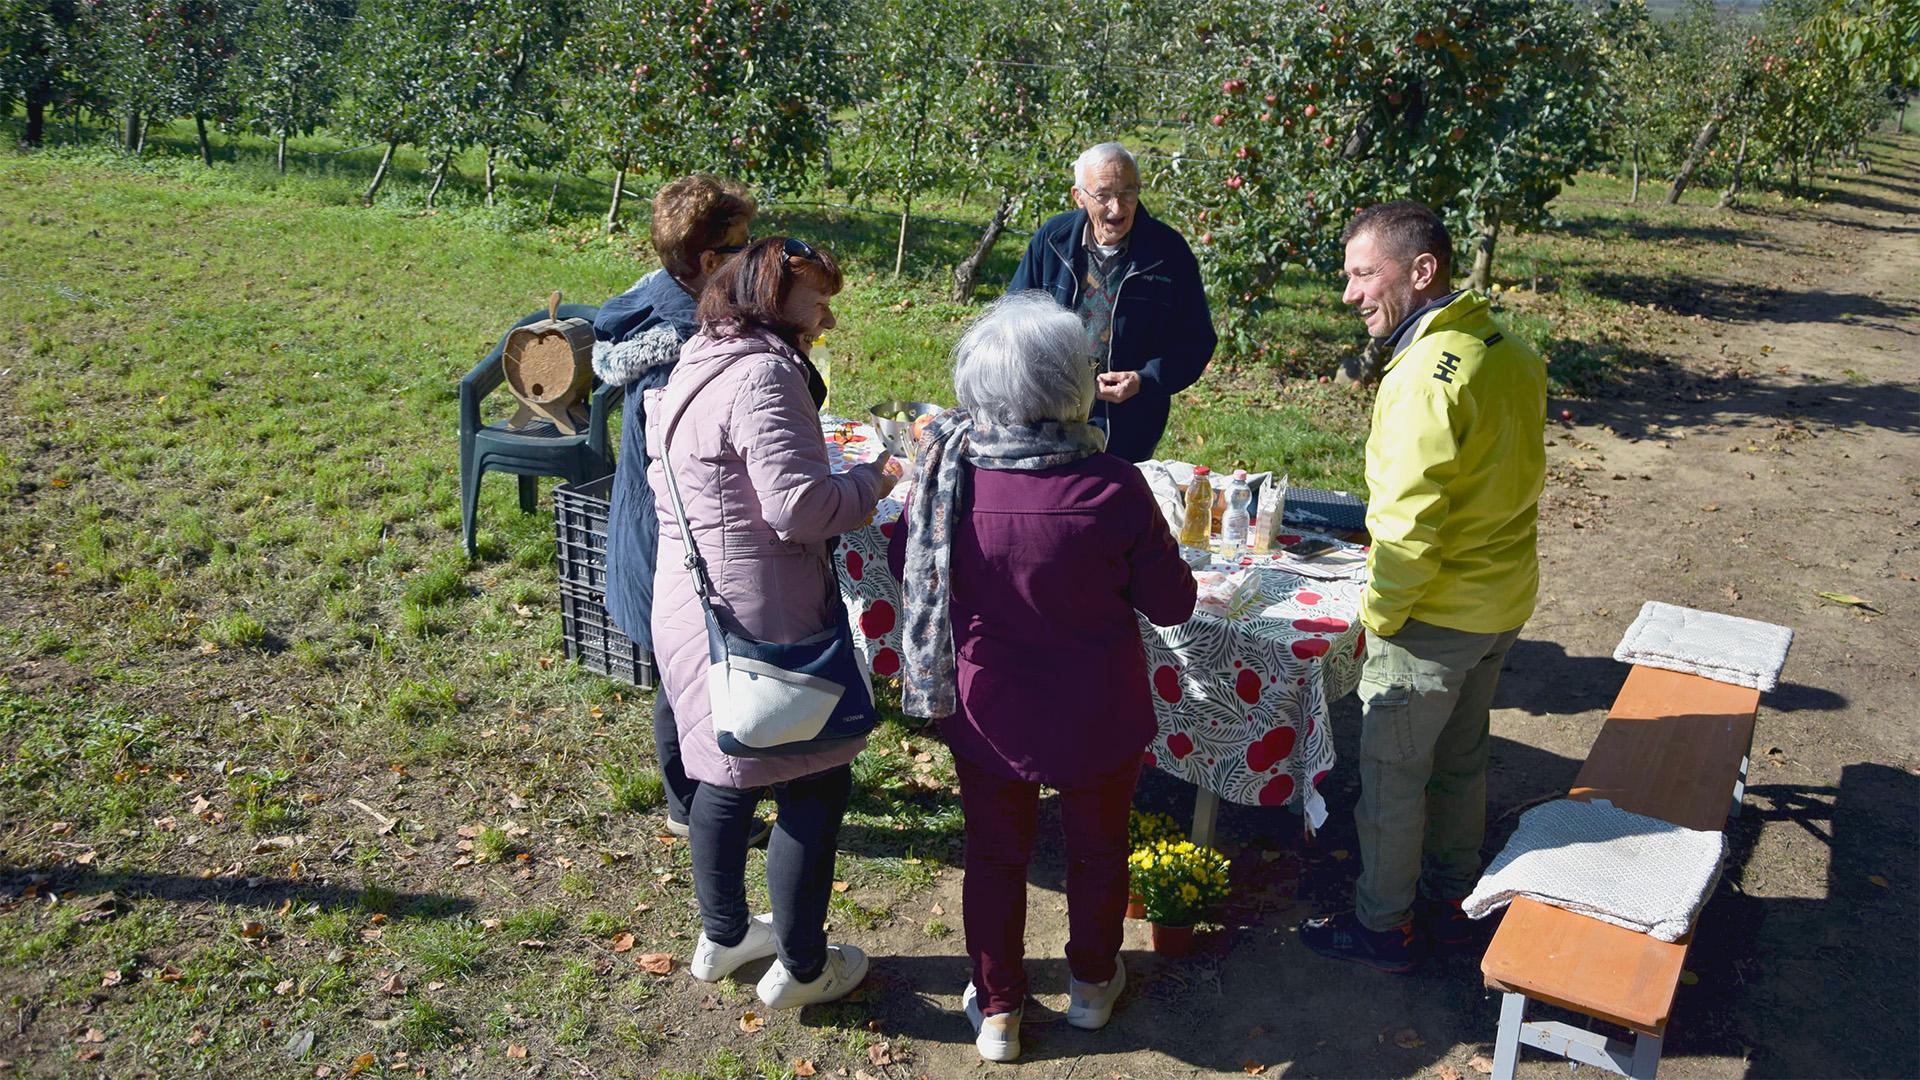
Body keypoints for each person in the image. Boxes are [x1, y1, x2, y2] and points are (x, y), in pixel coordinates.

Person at [886, 292, 1197, 1062]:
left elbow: (903, 564)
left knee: (995, 855)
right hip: (1098, 708)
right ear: (1072, 384)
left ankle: (998, 1012)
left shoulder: (948, 480)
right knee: (1098, 850)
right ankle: (1092, 985)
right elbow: (1173, 601)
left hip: (992, 706)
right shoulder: (1113, 484)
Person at [646, 236, 898, 1008]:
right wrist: (876, 478)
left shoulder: (705, 354)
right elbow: (798, 509)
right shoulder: (762, 374)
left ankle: (724, 937)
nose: (826, 313)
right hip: (763, 610)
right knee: (813, 782)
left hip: (694, 602)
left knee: (723, 774)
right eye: (815, 296)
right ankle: (803, 965)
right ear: (768, 295)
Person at [1299, 201, 1546, 973]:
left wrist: (1376, 616)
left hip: (1435, 616)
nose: (1350, 294)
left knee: (1392, 779)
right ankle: (1450, 894)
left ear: (1422, 271)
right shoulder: (1504, 345)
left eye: (1363, 274)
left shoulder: (1421, 381)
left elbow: (1406, 531)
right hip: (1499, 601)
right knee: (1462, 760)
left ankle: (1382, 926)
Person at [592, 175, 766, 844]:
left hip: (663, 522)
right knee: (685, 664)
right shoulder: (679, 339)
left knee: (685, 660)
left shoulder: (667, 302)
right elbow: (698, 456)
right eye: (740, 245)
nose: (751, 256)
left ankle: (698, 794)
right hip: (674, 531)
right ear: (704, 261)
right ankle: (693, 805)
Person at [1007, 142, 1216, 464]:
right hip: (1051, 407)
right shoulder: (1053, 240)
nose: (1118, 208)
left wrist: (1145, 379)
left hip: (1130, 417)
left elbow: (1196, 340)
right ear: (1079, 196)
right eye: (1103, 195)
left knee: (1114, 500)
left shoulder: (1168, 253)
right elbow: (1013, 319)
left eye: (1128, 192)